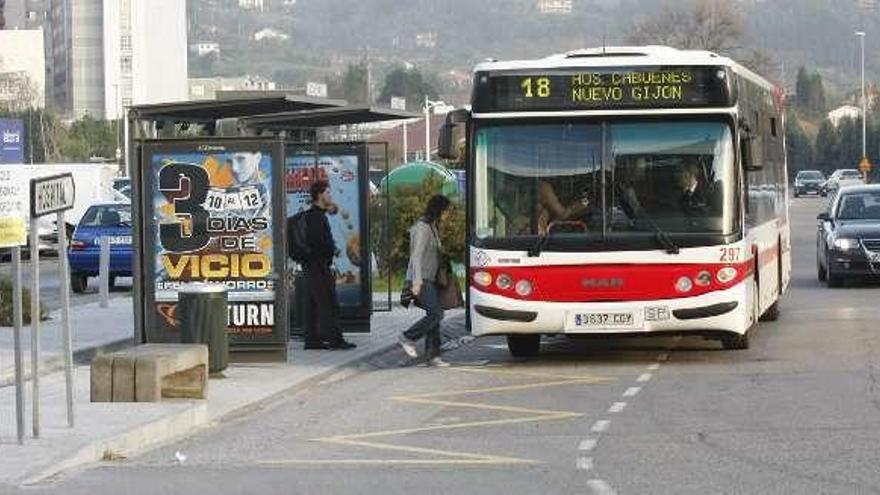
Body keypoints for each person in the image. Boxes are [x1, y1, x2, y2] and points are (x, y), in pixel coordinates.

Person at [301, 181, 356, 350]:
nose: (330, 196)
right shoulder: (317, 217)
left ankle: (312, 340)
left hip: (313, 265)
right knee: (328, 303)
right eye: (328, 193)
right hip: (319, 266)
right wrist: (331, 249)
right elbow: (318, 242)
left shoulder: (314, 215)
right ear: (320, 195)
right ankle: (335, 340)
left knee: (314, 302)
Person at [398, 195, 452, 367]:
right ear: (439, 209)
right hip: (421, 279)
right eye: (446, 211)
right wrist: (417, 281)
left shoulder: (432, 227)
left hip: (430, 278)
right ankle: (407, 337)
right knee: (437, 314)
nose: (448, 214)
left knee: (433, 316)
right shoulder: (422, 228)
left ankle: (433, 356)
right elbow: (416, 256)